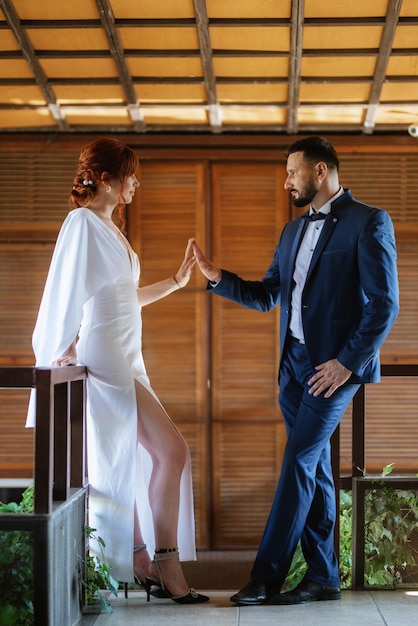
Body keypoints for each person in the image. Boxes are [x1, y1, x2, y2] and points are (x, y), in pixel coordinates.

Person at [192, 136, 399, 606]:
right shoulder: (291, 233)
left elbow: (385, 306)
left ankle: (265, 576)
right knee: (317, 468)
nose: (286, 181)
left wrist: (347, 363)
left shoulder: (369, 222)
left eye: (293, 172)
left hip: (333, 370)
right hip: (293, 368)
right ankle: (324, 576)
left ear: (320, 171)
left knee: (299, 462)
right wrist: (215, 276)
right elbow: (268, 295)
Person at [26, 138, 209, 604]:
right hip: (106, 354)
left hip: (129, 352)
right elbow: (64, 289)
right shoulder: (82, 222)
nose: (136, 183)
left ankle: (142, 557)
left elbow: (123, 297)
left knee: (135, 457)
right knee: (171, 451)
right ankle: (164, 563)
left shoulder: (112, 228)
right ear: (106, 179)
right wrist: (63, 345)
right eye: (131, 175)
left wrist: (174, 282)